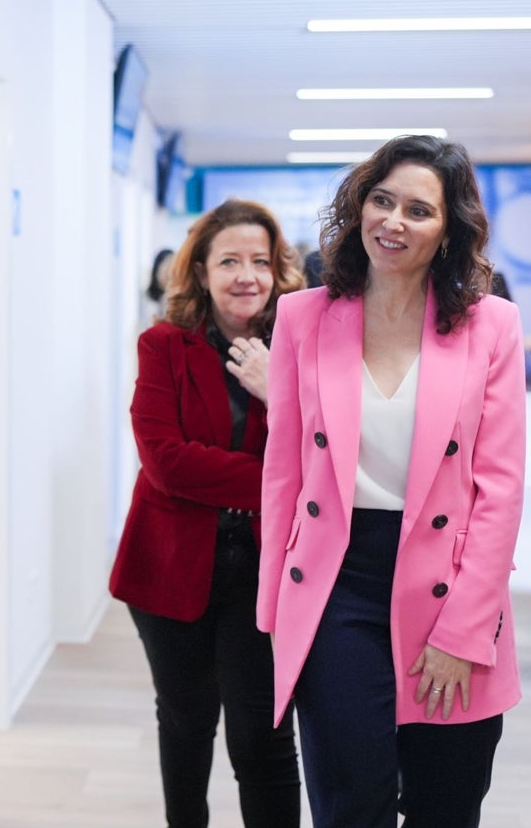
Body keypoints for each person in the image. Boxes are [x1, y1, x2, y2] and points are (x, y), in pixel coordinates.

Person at [259, 135, 524, 827]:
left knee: (445, 805)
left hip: (451, 584)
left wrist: (465, 633)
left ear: (447, 231)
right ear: (358, 208)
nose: (394, 222)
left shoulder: (491, 325)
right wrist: (274, 611)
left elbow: (499, 490)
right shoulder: (302, 316)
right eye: (382, 200)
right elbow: (283, 472)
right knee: (351, 806)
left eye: (418, 209)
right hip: (334, 585)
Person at [108, 199, 305, 828]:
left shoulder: (302, 350)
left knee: (263, 736)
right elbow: (165, 461)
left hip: (267, 571)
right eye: (230, 261)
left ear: (279, 272)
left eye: (260, 261)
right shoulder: (163, 345)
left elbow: (324, 458)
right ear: (200, 272)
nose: (246, 275)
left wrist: (277, 394)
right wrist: (278, 481)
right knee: (187, 722)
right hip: (170, 565)